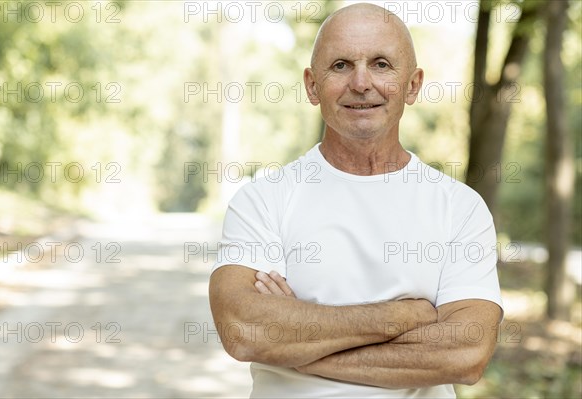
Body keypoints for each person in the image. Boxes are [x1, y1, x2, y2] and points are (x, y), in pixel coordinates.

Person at [209, 3, 503, 398]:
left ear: (413, 84)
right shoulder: (264, 199)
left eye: (381, 64)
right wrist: (403, 315)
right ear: (312, 85)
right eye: (341, 65)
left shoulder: (460, 208)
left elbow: (466, 352)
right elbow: (244, 330)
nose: (362, 82)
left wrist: (296, 345)